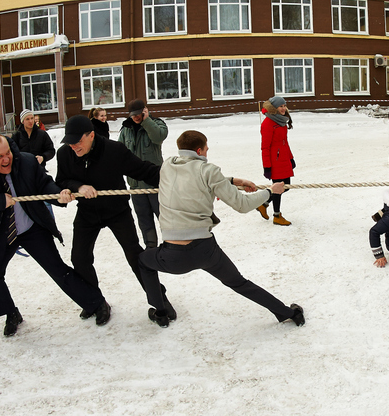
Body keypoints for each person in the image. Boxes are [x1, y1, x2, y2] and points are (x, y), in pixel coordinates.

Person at [139, 130, 304, 327]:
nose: (207, 152)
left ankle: (161, 312)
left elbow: (191, 178)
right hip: (205, 251)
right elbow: (242, 205)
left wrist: (234, 181)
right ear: (199, 151)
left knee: (143, 262)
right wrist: (270, 192)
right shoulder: (208, 170)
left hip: (171, 256)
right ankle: (289, 314)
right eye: (206, 149)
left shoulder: (167, 166)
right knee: (239, 283)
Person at [0, 134, 111, 336]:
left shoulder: (26, 161)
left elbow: (44, 184)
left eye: (8, 153)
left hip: (31, 226)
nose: (6, 159)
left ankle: (97, 303)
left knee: (57, 269)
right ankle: (11, 313)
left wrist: (59, 195)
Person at [56, 114, 172, 320]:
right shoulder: (65, 154)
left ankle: (159, 300)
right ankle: (95, 302)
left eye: (78, 141)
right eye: (70, 141)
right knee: (80, 258)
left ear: (91, 135)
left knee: (135, 255)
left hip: (117, 211)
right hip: (87, 212)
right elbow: (62, 180)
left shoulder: (113, 150)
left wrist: (176, 177)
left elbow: (143, 170)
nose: (73, 146)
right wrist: (77, 187)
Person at [118, 99, 168, 247]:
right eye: (132, 114)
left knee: (165, 218)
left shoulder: (156, 124)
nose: (135, 117)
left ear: (145, 111)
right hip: (136, 185)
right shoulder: (126, 129)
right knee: (144, 221)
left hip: (156, 184)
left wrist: (147, 122)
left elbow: (159, 137)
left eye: (138, 113)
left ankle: (171, 245)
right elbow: (119, 152)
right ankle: (150, 247)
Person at [258, 96, 295, 226]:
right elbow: (265, 147)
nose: (283, 108)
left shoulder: (281, 121)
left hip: (283, 159)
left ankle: (264, 204)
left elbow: (285, 143)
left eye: (284, 106)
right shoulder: (268, 123)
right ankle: (277, 216)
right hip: (275, 161)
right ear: (274, 108)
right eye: (281, 106)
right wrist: (267, 167)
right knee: (278, 188)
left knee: (286, 186)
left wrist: (291, 158)